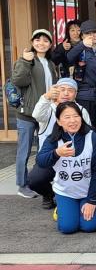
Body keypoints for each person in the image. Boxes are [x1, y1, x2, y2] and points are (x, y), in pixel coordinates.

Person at [36, 102, 96, 234]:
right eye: (67, 117)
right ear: (59, 121)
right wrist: (56, 153)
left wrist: (92, 201)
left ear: (81, 118)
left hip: (88, 192)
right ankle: (62, 207)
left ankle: (89, 206)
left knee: (89, 226)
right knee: (67, 228)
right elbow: (40, 161)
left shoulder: (93, 137)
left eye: (76, 116)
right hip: (65, 192)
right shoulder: (53, 139)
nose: (73, 121)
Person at [29, 78, 92, 209]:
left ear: (76, 94)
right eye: (62, 89)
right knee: (34, 180)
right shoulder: (48, 108)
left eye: (70, 90)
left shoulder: (81, 111)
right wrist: (46, 97)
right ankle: (49, 194)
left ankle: (75, 197)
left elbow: (89, 135)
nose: (66, 93)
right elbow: (36, 115)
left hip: (75, 158)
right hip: (51, 156)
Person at [12, 28, 58, 198]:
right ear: (32, 42)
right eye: (37, 40)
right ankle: (22, 184)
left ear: (50, 44)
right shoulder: (26, 60)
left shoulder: (50, 63)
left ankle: (37, 180)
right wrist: (25, 61)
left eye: (45, 40)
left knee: (43, 150)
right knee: (24, 151)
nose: (41, 43)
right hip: (27, 114)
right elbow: (18, 80)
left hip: (45, 113)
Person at [67, 20, 96, 147]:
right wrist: (82, 45)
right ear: (82, 36)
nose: (92, 35)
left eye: (95, 32)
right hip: (84, 98)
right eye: (88, 33)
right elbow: (68, 58)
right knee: (84, 132)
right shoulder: (79, 51)